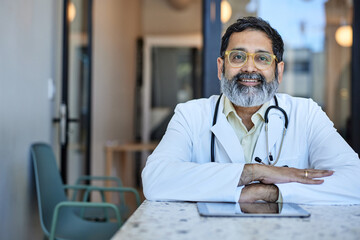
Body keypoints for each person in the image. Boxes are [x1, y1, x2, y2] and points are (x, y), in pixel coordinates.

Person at [142, 17, 360, 204]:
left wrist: (272, 191)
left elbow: (354, 181)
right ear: (221, 67)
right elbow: (155, 180)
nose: (249, 67)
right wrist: (253, 172)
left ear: (279, 71)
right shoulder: (190, 115)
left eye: (262, 58)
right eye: (237, 57)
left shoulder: (306, 114)